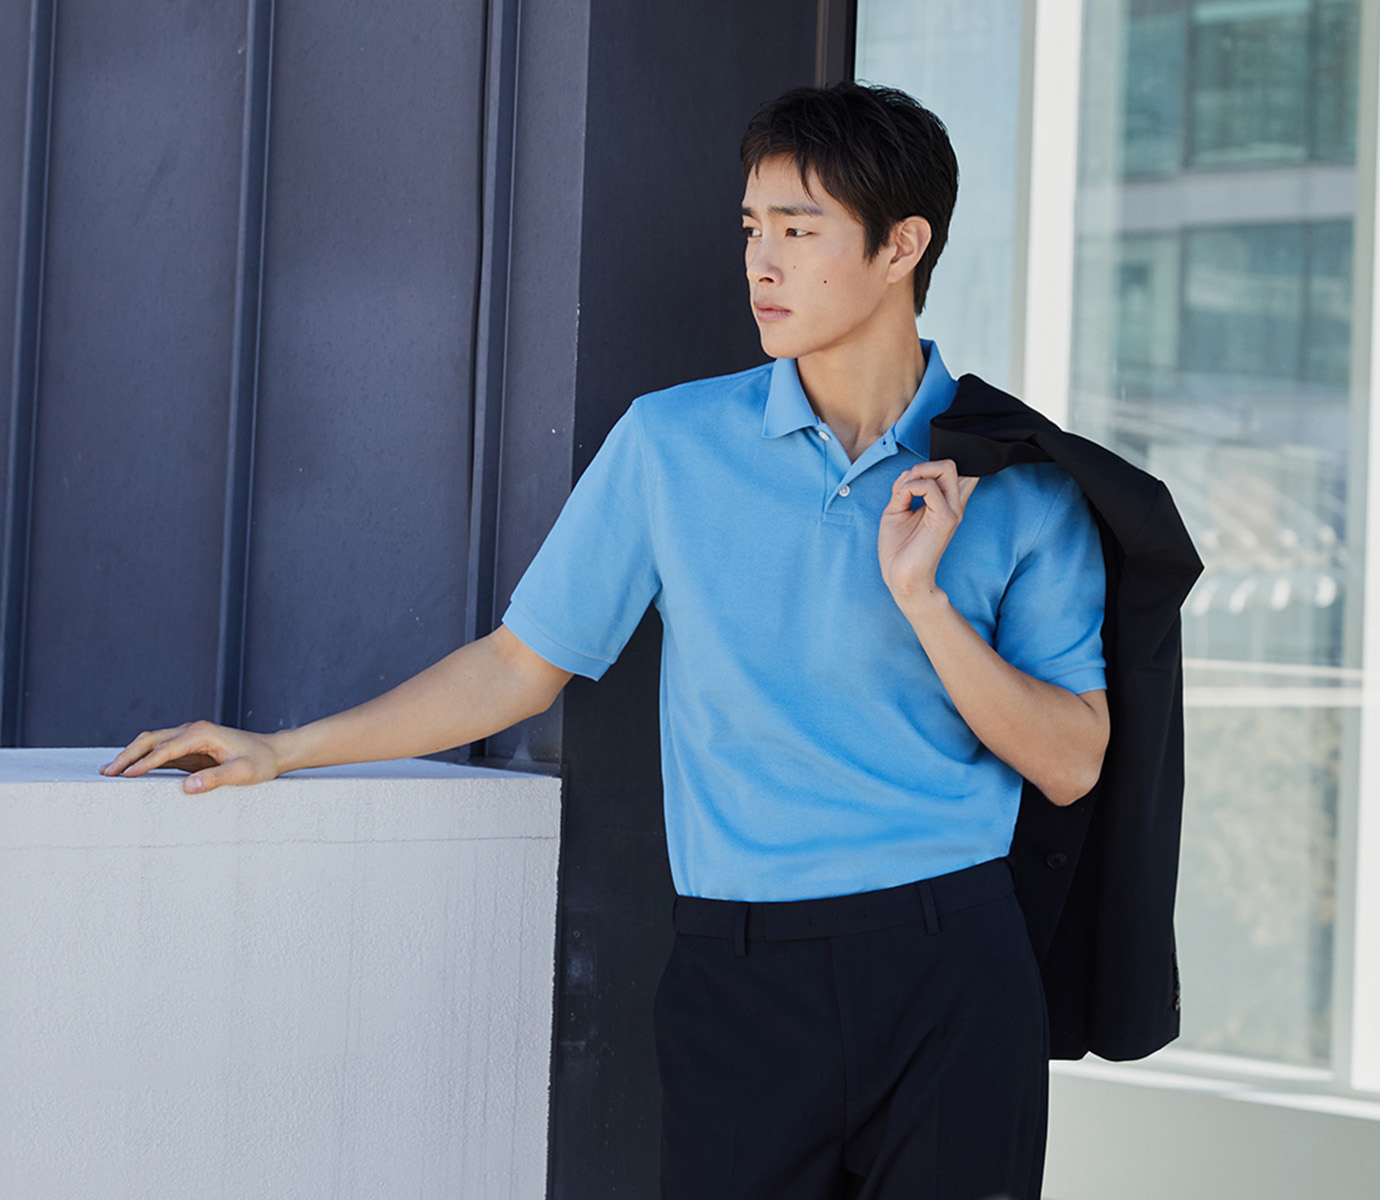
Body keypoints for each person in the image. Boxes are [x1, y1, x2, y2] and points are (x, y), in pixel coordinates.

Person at [103, 82, 1109, 1200]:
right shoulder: (671, 443)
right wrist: (285, 748)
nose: (761, 263)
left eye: (799, 229)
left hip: (952, 966)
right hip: (742, 976)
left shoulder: (1016, 480)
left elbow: (1071, 759)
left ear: (901, 247)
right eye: (752, 228)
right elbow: (518, 665)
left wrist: (925, 604)